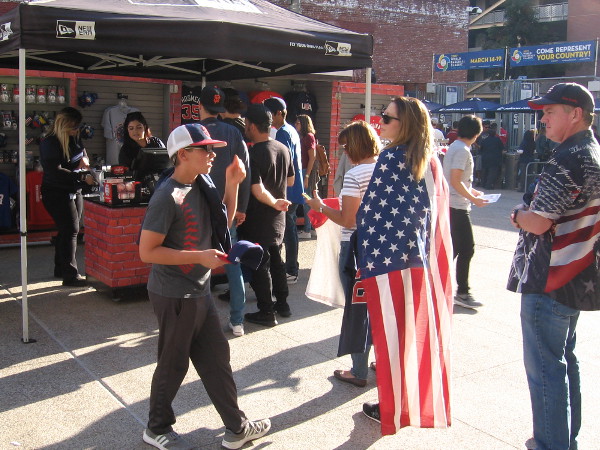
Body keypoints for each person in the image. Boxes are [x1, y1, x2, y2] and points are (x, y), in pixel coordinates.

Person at [138, 123, 271, 450]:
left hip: (197, 289)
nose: (213, 154)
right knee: (174, 362)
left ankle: (236, 429)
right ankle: (156, 428)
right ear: (183, 154)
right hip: (174, 293)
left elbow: (220, 224)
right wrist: (199, 256)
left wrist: (233, 184)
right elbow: (147, 252)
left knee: (215, 358)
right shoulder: (166, 196)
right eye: (205, 149)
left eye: (213, 148)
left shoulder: (203, 183)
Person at [507, 83, 600, 450]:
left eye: (550, 111)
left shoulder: (568, 157)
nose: (542, 118)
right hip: (574, 277)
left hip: (550, 278)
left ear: (574, 114)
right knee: (563, 363)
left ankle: (551, 444)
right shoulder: (591, 150)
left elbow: (539, 221)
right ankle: (564, 440)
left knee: (546, 369)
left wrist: (517, 214)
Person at [356, 97, 453, 434]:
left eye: (386, 118)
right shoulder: (432, 161)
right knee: (412, 332)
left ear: (406, 123)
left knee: (391, 334)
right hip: (419, 260)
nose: (380, 123)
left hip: (390, 262)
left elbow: (369, 215)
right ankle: (406, 402)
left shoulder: (392, 158)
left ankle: (392, 406)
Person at [306, 120, 380, 388]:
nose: (344, 152)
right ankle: (381, 362)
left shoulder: (356, 175)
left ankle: (358, 370)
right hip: (383, 249)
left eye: (346, 146)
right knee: (381, 308)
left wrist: (320, 207)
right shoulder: (388, 169)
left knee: (358, 308)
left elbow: (348, 220)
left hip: (356, 248)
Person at [199, 85, 251, 337]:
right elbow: (245, 171)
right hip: (227, 206)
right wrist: (241, 207)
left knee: (198, 264)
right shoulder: (234, 133)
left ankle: (198, 319)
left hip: (198, 207)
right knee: (232, 264)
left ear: (200, 106)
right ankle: (237, 320)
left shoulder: (194, 132)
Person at [238, 104, 294, 326]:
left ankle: (266, 312)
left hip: (259, 216)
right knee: (277, 261)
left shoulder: (252, 153)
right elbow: (289, 181)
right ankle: (283, 305)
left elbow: (256, 189)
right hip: (278, 216)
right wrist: (278, 200)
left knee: (260, 264)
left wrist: (272, 201)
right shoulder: (283, 148)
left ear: (251, 126)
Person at [40, 107, 96, 287]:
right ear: (64, 126)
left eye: (78, 127)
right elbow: (54, 171)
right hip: (56, 191)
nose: (76, 131)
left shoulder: (74, 138)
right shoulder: (50, 142)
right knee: (71, 230)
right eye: (73, 127)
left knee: (68, 229)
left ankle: (61, 268)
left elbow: (82, 153)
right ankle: (70, 275)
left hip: (74, 188)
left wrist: (85, 163)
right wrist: (80, 176)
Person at [442, 115, 487, 309]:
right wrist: (473, 198)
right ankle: (462, 291)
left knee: (455, 249)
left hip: (452, 203)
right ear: (476, 133)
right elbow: (456, 180)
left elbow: (457, 180)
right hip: (457, 206)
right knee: (466, 248)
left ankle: (443, 285)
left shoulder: (454, 147)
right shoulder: (463, 151)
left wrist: (472, 191)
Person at [263, 97, 305, 288]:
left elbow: (282, 163)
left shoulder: (282, 133)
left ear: (279, 113)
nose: (268, 118)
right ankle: (290, 268)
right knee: (289, 229)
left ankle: (290, 270)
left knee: (286, 231)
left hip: (287, 189)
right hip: (294, 188)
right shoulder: (291, 131)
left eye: (270, 113)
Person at [295, 114, 318, 239]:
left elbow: (312, 157)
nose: (296, 125)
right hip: (302, 170)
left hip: (306, 171)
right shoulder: (303, 137)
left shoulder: (309, 137)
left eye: (298, 123)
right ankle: (311, 228)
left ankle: (307, 230)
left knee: (306, 201)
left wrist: (307, 176)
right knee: (306, 200)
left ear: (304, 124)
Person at [479, 122, 505, 189]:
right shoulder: (497, 140)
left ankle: (483, 184)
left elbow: (481, 149)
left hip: (485, 158)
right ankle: (489, 185)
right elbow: (502, 148)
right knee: (492, 172)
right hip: (494, 158)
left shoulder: (485, 140)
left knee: (485, 172)